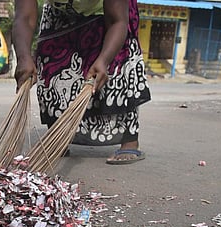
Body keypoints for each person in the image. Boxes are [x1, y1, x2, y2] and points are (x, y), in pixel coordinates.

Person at [12, 0, 151, 164]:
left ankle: (129, 140)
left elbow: (117, 21)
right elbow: (24, 17)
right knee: (52, 68)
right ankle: (58, 137)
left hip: (110, 13)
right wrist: (23, 57)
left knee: (116, 68)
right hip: (60, 12)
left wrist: (104, 61)